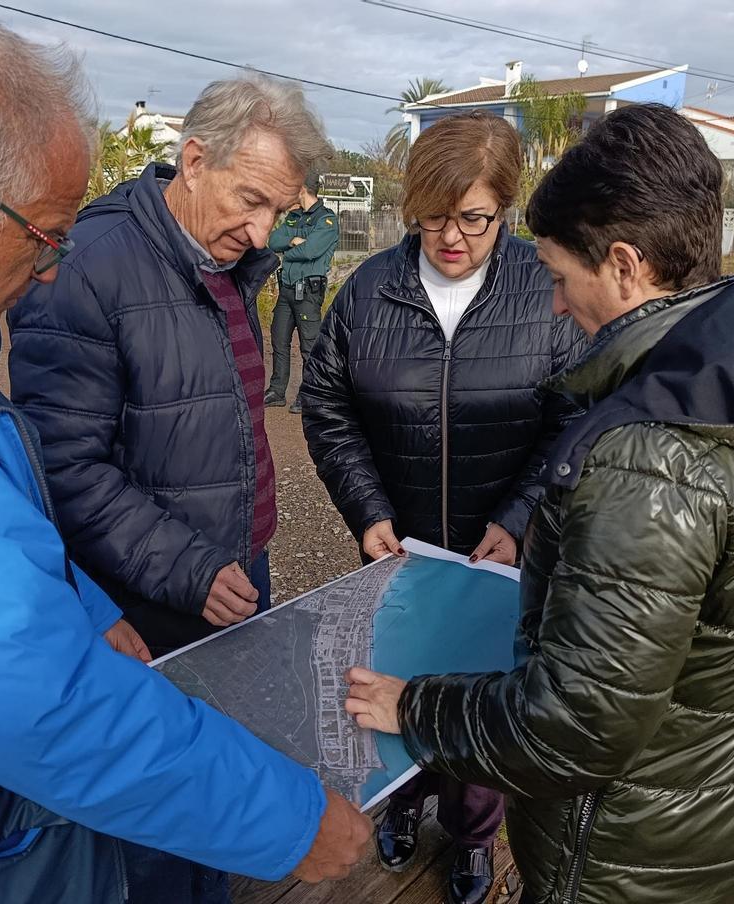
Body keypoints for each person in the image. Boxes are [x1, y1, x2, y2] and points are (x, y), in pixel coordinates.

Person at [0, 13, 371, 903]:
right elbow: (31, 694)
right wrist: (286, 819)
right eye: (45, 236)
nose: (51, 269)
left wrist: (77, 603)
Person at [344, 103, 734, 904]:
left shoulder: (646, 456)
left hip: (626, 851)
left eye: (562, 279)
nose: (557, 306)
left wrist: (415, 708)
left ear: (627, 265)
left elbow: (574, 726)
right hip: (718, 816)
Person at [300, 111, 586, 904]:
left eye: (474, 218)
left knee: (484, 694)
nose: (451, 237)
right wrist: (366, 511)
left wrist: (523, 516)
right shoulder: (367, 291)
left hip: (501, 558)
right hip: (397, 551)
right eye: (432, 216)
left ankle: (469, 840)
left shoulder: (544, 291)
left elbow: (572, 420)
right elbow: (327, 408)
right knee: (390, 685)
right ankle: (400, 804)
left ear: (507, 208)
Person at [8, 75, 333, 657]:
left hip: (234, 571)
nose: (263, 233)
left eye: (279, 211)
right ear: (195, 160)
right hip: (144, 594)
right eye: (251, 200)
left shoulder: (229, 258)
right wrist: (188, 569)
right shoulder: (88, 269)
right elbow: (64, 466)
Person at [264, 172, 339, 413]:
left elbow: (312, 251)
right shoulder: (294, 216)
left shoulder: (327, 220)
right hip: (286, 290)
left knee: (309, 346)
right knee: (279, 340)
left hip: (307, 292)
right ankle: (277, 390)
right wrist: (294, 240)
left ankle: (308, 395)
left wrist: (292, 247)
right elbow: (274, 240)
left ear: (302, 189)